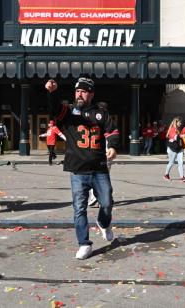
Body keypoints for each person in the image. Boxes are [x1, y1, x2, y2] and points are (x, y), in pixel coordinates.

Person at [45, 77, 120, 260]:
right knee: (79, 208)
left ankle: (103, 222)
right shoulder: (69, 112)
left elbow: (113, 131)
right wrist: (52, 92)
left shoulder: (101, 113)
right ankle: (84, 243)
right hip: (78, 170)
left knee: (107, 202)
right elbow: (54, 110)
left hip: (99, 168)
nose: (80, 94)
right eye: (77, 91)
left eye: (84, 91)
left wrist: (112, 146)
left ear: (91, 94)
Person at [163, 117, 185, 181]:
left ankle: (182, 177)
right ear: (176, 122)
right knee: (171, 162)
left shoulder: (179, 129)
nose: (180, 123)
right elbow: (175, 137)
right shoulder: (172, 129)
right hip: (172, 149)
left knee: (181, 163)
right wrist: (182, 135)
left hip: (179, 148)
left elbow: (180, 139)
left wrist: (183, 146)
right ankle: (166, 175)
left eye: (181, 122)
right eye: (179, 122)